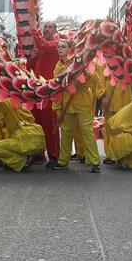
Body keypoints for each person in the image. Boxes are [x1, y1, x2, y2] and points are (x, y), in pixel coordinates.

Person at [51, 45, 102, 173]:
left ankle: (94, 161)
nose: (60, 49)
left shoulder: (81, 62)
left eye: (63, 46)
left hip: (83, 102)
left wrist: (84, 72)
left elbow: (93, 81)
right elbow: (56, 89)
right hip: (67, 103)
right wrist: (57, 108)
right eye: (59, 46)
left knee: (87, 131)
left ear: (70, 49)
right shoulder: (58, 67)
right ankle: (63, 161)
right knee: (66, 132)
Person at [29, 22, 61, 166]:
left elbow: (44, 45)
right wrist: (32, 56)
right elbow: (29, 67)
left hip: (50, 91)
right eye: (45, 27)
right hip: (36, 91)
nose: (47, 30)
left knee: (50, 124)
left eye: (50, 27)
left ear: (55, 30)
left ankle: (54, 154)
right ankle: (38, 153)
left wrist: (34, 33)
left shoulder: (56, 44)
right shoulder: (40, 47)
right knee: (36, 122)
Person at [0, 99, 46, 172]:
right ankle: (25, 157)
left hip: (24, 141)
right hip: (38, 140)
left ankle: (21, 162)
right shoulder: (22, 103)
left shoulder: (8, 103)